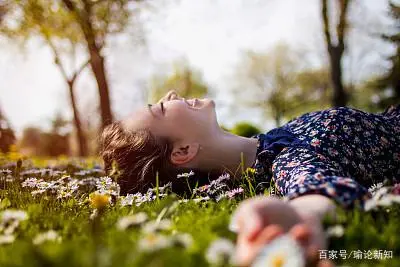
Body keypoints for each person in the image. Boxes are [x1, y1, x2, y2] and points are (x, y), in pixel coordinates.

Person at [99, 90, 400, 266]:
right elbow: (313, 190)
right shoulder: (285, 161)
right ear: (183, 151)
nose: (172, 94)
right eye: (162, 108)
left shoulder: (273, 141)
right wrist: (296, 220)